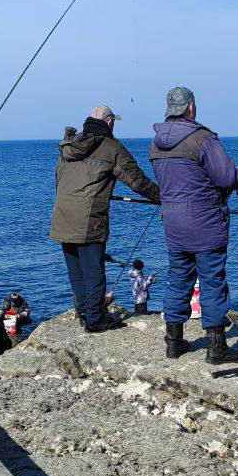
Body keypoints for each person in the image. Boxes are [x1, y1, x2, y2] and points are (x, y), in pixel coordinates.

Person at [150, 86, 238, 365]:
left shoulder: (156, 143)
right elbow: (227, 178)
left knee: (178, 277)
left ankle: (174, 342)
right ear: (191, 108)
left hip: (173, 220)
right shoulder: (203, 139)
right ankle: (216, 348)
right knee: (212, 280)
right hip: (205, 220)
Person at [50, 106, 160, 332]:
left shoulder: (70, 145)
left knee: (76, 271)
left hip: (62, 216)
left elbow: (59, 179)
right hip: (89, 218)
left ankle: (84, 313)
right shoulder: (111, 147)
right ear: (109, 123)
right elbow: (137, 181)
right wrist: (164, 196)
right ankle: (95, 319)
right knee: (94, 271)